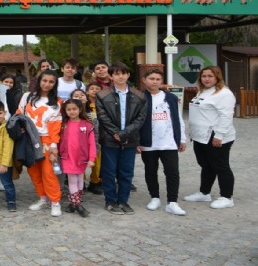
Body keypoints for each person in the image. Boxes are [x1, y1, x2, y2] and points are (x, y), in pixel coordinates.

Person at [96, 62, 146, 215]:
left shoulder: (139, 95)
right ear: (111, 76)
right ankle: (110, 201)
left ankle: (123, 200)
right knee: (109, 171)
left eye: (123, 73)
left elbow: (140, 118)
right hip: (110, 139)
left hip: (129, 139)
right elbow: (102, 117)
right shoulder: (102, 95)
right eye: (117, 73)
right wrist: (115, 133)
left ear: (128, 75)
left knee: (126, 171)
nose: (120, 76)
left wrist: (125, 133)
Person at [184, 66, 237, 209]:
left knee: (221, 166)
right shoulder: (203, 91)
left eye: (210, 76)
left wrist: (219, 135)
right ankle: (204, 193)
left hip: (215, 135)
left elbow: (226, 116)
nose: (206, 79)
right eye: (204, 76)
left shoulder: (224, 93)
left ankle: (227, 197)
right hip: (200, 136)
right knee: (206, 165)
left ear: (217, 77)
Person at [139, 69, 187, 216]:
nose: (155, 81)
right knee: (150, 171)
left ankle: (172, 202)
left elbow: (178, 118)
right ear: (144, 80)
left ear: (162, 81)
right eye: (151, 78)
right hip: (148, 142)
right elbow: (134, 121)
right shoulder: (140, 98)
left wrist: (182, 138)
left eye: (158, 79)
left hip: (169, 141)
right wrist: (137, 141)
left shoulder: (171, 97)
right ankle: (155, 197)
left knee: (172, 172)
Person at [18, 69, 63, 217]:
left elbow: (55, 127)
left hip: (45, 140)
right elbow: (19, 115)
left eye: (51, 82)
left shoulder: (57, 102)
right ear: (39, 81)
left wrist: (53, 146)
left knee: (48, 172)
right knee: (33, 172)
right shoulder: (27, 97)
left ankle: (55, 202)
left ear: (55, 84)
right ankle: (42, 198)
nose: (47, 84)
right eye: (45, 80)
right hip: (28, 139)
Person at [59, 99, 96, 217]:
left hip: (82, 158)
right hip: (67, 157)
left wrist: (91, 158)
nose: (72, 111)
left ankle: (73, 204)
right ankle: (78, 205)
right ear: (65, 111)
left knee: (80, 179)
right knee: (72, 180)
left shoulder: (87, 126)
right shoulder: (63, 125)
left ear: (80, 110)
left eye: (74, 109)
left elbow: (92, 144)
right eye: (68, 109)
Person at [84, 82, 103, 195]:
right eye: (92, 88)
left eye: (97, 88)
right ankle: (80, 182)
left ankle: (95, 181)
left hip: (98, 138)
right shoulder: (83, 105)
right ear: (87, 91)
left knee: (97, 162)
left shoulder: (103, 104)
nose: (94, 90)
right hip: (84, 137)